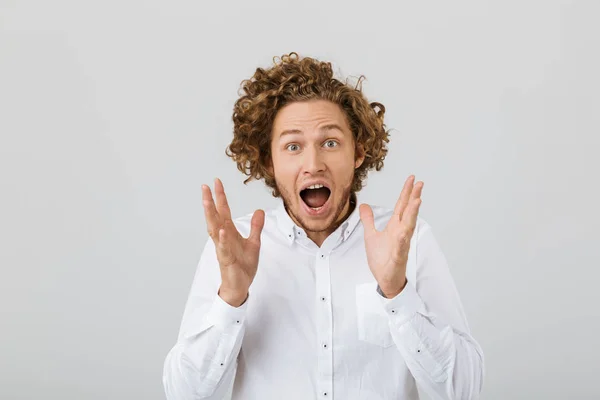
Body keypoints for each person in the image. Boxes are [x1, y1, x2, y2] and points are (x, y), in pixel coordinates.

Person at [163, 52, 484, 400]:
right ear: (269, 161)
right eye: (293, 146)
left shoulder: (409, 240)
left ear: (358, 153)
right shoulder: (230, 247)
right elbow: (186, 395)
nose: (312, 164)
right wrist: (231, 299)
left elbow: (464, 391)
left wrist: (398, 293)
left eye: (330, 143)